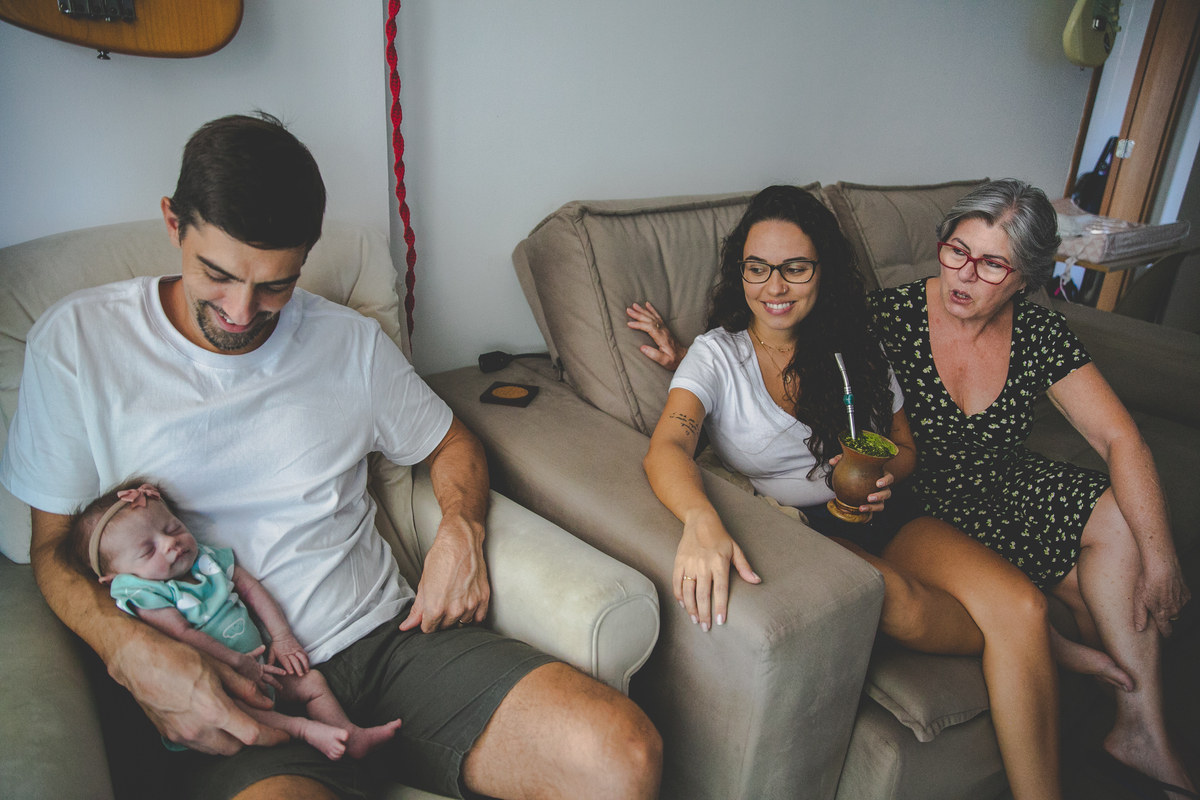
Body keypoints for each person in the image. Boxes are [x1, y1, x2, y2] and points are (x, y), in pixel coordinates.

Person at [1, 113, 661, 800]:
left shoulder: (350, 344)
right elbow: (48, 548)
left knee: (622, 755)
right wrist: (130, 648)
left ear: (306, 256)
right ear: (174, 224)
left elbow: (450, 441)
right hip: (236, 684)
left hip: (389, 644)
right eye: (218, 275)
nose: (240, 310)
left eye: (274, 286)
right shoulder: (79, 341)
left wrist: (462, 529)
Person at [636, 185, 1103, 800]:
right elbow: (667, 448)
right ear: (739, 272)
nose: (774, 286)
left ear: (821, 270)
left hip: (887, 515)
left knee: (1026, 609)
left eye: (794, 267)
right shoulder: (715, 356)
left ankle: (1040, 658)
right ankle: (1045, 650)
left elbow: (905, 448)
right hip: (801, 532)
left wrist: (885, 478)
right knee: (910, 606)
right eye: (757, 268)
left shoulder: (856, 346)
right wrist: (699, 520)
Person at [869, 179, 1193, 798]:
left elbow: (1120, 440)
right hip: (925, 510)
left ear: (1026, 277)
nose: (965, 274)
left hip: (1006, 488)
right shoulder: (888, 316)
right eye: (957, 250)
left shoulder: (1039, 333)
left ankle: (1140, 729)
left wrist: (1163, 560)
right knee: (1093, 593)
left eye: (993, 263)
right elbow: (787, 358)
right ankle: (1110, 695)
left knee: (1122, 531)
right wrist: (690, 362)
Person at [70, 480, 403, 761]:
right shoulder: (146, 594)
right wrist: (237, 663)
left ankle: (349, 734)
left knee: (312, 683)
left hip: (262, 671)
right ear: (115, 578)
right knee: (247, 713)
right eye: (147, 550)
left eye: (173, 528)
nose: (170, 544)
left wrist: (283, 637)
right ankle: (305, 730)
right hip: (220, 686)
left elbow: (251, 588)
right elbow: (183, 634)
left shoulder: (206, 559)